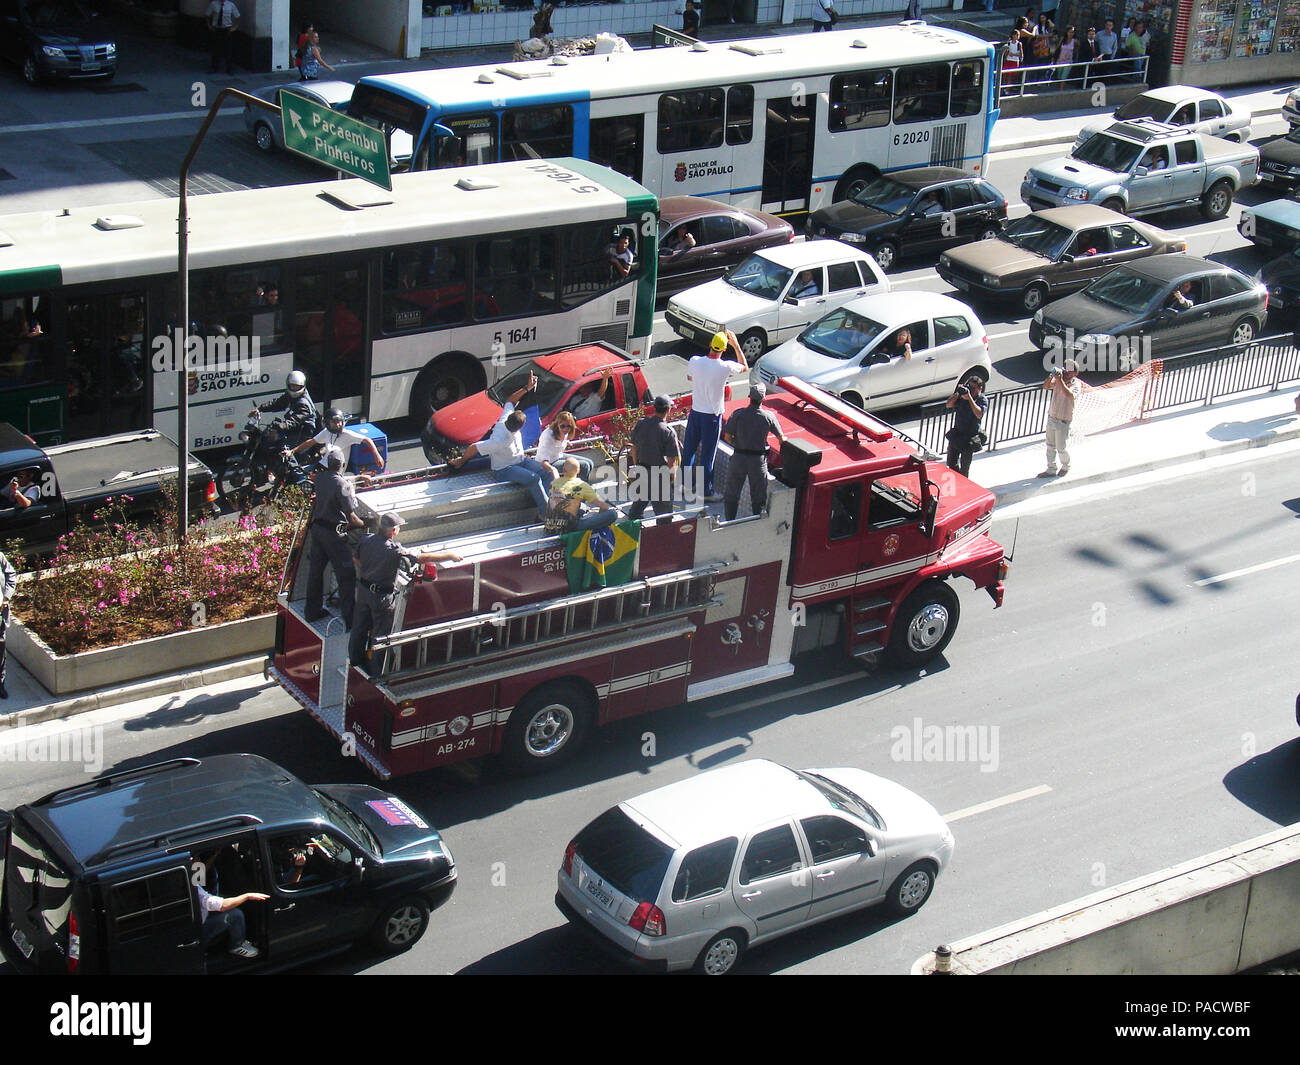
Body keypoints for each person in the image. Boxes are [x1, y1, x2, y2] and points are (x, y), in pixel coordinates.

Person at [349, 512, 463, 669]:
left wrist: (369, 570)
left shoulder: (366, 540)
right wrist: (450, 555)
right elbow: (423, 557)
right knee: (380, 635)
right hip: (382, 597)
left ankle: (354, 660)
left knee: (359, 627)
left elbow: (355, 558)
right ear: (394, 531)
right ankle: (376, 670)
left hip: (363, 590)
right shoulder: (394, 550)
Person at [449, 375, 553, 518]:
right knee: (534, 478)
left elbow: (510, 400)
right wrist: (461, 460)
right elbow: (474, 447)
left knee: (547, 473)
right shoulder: (498, 441)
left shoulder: (507, 417)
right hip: (504, 469)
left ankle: (548, 503)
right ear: (519, 428)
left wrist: (526, 388)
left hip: (520, 460)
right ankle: (546, 513)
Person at [684, 330, 747, 503]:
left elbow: (690, 377)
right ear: (724, 349)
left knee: (689, 449)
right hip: (712, 416)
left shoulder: (695, 361)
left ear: (711, 345)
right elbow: (744, 366)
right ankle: (705, 491)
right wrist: (736, 344)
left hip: (696, 412)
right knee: (707, 455)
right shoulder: (725, 367)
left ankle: (685, 485)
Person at [304, 447, 363, 626]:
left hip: (318, 531)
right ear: (343, 465)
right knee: (346, 576)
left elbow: (333, 484)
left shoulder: (319, 478)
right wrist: (366, 524)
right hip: (334, 536)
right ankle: (350, 620)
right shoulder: (343, 486)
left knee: (315, 572)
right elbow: (352, 516)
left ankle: (312, 611)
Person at [722, 383, 785, 522]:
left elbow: (727, 436)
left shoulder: (738, 414)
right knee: (758, 494)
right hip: (757, 461)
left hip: (739, 457)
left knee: (732, 491)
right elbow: (781, 438)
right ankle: (757, 520)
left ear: (749, 397)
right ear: (763, 398)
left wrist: (737, 445)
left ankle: (729, 520)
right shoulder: (768, 417)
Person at [194, 852, 267, 959]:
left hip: (202, 915)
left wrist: (215, 854)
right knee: (235, 915)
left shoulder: (191, 881)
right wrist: (247, 896)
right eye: (195, 860)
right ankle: (236, 946)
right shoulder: (195, 889)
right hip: (199, 929)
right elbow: (221, 905)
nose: (198, 863)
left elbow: (200, 872)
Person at [628, 394, 681, 524]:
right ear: (668, 410)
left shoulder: (641, 423)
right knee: (664, 516)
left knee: (637, 507)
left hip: (642, 470)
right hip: (659, 476)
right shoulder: (668, 431)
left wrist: (637, 465)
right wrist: (671, 479)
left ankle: (633, 531)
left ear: (654, 408)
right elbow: (671, 460)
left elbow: (633, 448)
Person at [287, 408, 386, 472]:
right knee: (298, 474)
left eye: (339, 421)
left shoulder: (347, 434)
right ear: (327, 423)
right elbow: (311, 442)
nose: (338, 424)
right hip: (323, 465)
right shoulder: (326, 432)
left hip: (335, 471)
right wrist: (292, 451)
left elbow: (367, 439)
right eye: (334, 422)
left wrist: (377, 455)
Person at [545, 458, 622, 534]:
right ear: (578, 471)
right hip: (569, 529)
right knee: (612, 514)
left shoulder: (554, 483)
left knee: (581, 506)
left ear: (563, 470)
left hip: (550, 527)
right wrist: (598, 516)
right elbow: (604, 507)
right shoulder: (582, 485)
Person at [1039, 359, 1080, 477]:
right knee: (1050, 445)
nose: (1067, 371)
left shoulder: (1076, 384)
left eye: (1070, 370)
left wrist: (1060, 380)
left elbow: (1070, 395)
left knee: (1061, 447)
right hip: (1052, 416)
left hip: (1063, 420)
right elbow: (1046, 386)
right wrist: (1051, 377)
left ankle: (1066, 465)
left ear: (1075, 373)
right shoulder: (1058, 380)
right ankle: (1051, 469)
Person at [944, 376, 987, 476]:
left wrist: (970, 399)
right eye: (969, 387)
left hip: (969, 438)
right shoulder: (962, 396)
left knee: (965, 468)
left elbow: (979, 414)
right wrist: (958, 392)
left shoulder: (982, 399)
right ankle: (957, 479)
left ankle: (962, 482)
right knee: (951, 463)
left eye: (973, 388)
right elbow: (948, 405)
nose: (970, 390)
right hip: (957, 434)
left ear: (980, 388)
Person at [537, 410, 594, 482]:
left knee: (590, 463)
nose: (565, 429)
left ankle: (580, 485)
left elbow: (562, 440)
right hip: (547, 463)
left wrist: (567, 442)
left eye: (568, 426)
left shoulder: (565, 432)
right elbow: (543, 462)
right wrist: (553, 469)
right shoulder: (548, 436)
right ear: (557, 425)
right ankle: (579, 489)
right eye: (562, 426)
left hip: (558, 456)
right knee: (584, 466)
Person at [206, 0, 240, 75]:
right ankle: (214, 67)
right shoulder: (213, 4)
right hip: (217, 29)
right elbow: (208, 15)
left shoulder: (230, 5)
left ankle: (229, 68)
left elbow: (237, 16)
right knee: (216, 48)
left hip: (226, 29)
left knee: (228, 49)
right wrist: (209, 26)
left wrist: (235, 27)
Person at [0, 549, 15, 699]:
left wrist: (6, 597)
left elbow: (11, 574)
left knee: (0, 651)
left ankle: (1, 685)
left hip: (0, 615)